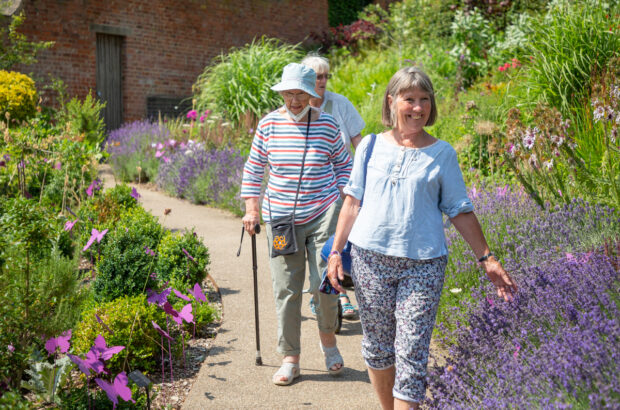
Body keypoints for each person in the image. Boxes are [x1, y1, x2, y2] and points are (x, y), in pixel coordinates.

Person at [326, 67, 517, 409]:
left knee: (412, 351)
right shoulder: (369, 146)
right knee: (378, 347)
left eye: (424, 99)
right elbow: (352, 202)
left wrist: (487, 257)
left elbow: (459, 209)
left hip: (424, 265)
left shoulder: (442, 153)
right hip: (370, 260)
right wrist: (336, 252)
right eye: (409, 99)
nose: (417, 107)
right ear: (391, 102)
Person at [241, 63, 353, 386]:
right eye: (289, 93)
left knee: (328, 283)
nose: (294, 100)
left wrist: (347, 201)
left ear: (312, 94)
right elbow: (254, 169)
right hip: (281, 220)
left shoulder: (329, 126)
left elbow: (344, 167)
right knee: (286, 289)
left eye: (300, 94)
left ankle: (328, 343)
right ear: (282, 93)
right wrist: (252, 208)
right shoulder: (269, 125)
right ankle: (290, 358)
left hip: (322, 214)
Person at [301, 53, 365, 320]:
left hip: (340, 185)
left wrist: (364, 178)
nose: (323, 81)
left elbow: (358, 143)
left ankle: (337, 292)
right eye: (317, 76)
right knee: (316, 244)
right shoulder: (297, 104)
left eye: (326, 75)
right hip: (309, 187)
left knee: (337, 240)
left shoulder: (339, 104)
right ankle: (331, 295)